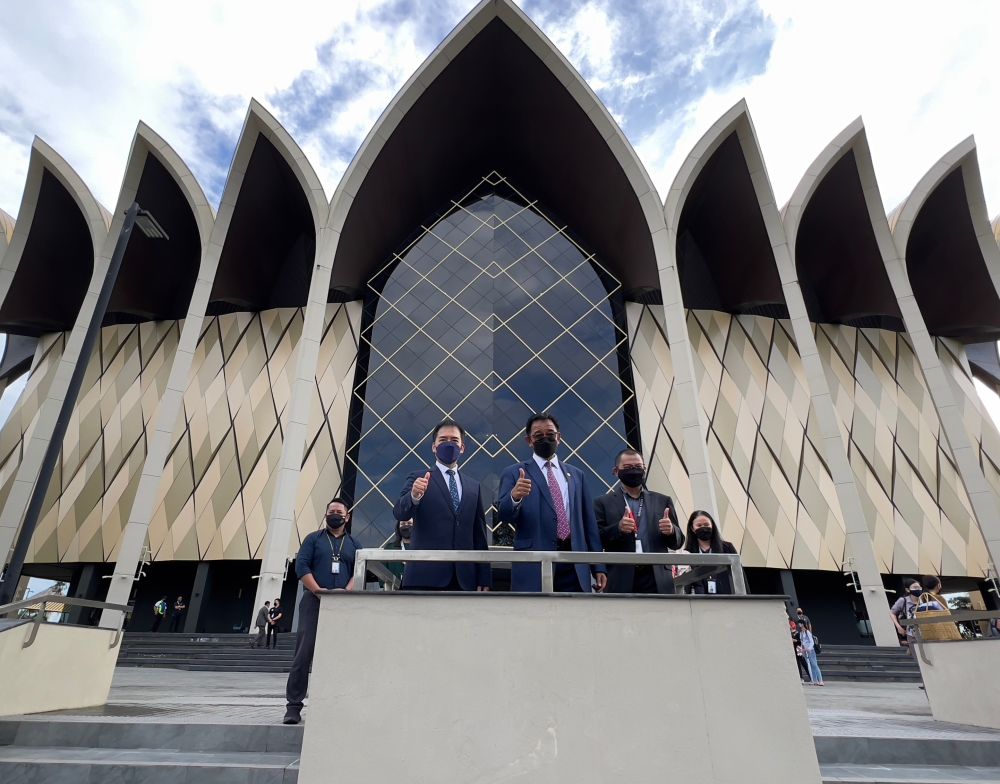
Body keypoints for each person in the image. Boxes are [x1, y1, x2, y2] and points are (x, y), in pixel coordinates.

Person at [498, 413, 607, 593]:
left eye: (550, 434)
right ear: (529, 441)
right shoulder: (514, 473)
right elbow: (503, 515)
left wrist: (599, 566)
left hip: (575, 563)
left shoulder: (577, 475)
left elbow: (589, 525)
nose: (545, 439)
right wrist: (514, 497)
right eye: (538, 436)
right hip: (535, 563)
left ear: (559, 437)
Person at [283, 498, 359, 725]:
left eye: (339, 511)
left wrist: (345, 592)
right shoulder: (313, 539)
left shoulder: (355, 544)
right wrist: (318, 591)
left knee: (342, 655)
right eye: (331, 511)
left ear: (347, 517)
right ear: (326, 515)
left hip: (343, 605)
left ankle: (337, 705)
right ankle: (294, 706)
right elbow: (301, 567)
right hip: (314, 602)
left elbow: (361, 569)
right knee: (303, 653)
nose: (335, 514)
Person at [392, 419, 491, 591]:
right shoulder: (418, 477)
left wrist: (484, 577)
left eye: (454, 440)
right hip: (424, 577)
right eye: (443, 440)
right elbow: (400, 513)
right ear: (433, 447)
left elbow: (479, 534)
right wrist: (414, 496)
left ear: (462, 448)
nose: (449, 444)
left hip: (464, 580)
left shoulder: (473, 486)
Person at [595, 448, 684, 593]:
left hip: (657, 576)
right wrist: (617, 529)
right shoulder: (602, 503)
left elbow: (678, 542)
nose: (634, 471)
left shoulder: (662, 500)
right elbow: (596, 539)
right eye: (628, 468)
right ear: (616, 471)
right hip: (621, 576)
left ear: (644, 468)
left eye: (638, 467)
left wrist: (672, 531)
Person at [682, 510, 739, 595]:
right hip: (701, 601)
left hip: (727, 598)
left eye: (706, 525)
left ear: (712, 525)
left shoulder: (727, 548)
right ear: (692, 528)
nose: (703, 528)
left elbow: (738, 575)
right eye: (699, 525)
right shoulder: (687, 553)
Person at [889, 577, 923, 650]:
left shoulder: (924, 599)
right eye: (915, 587)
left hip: (925, 633)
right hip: (911, 633)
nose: (918, 589)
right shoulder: (903, 600)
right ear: (908, 589)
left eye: (919, 587)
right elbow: (892, 613)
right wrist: (899, 627)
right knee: (917, 656)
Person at [798, 621, 824, 686]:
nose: (799, 625)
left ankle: (820, 680)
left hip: (811, 651)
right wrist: (802, 649)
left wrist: (809, 648)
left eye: (799, 623)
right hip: (805, 651)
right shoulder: (801, 633)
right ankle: (815, 681)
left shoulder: (807, 632)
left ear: (802, 624)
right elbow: (802, 642)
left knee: (814, 665)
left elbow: (812, 642)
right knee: (811, 666)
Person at [790, 618, 811, 683]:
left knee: (803, 663)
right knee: (798, 664)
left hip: (799, 649)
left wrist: (795, 640)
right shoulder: (790, 634)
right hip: (794, 649)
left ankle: (811, 676)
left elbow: (801, 641)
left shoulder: (798, 633)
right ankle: (801, 677)